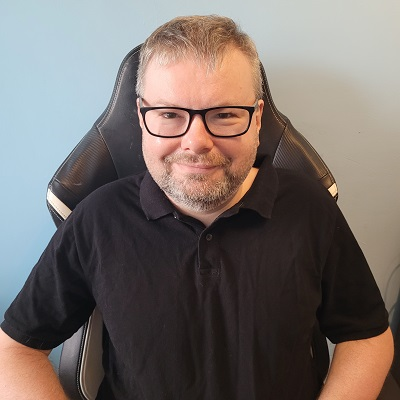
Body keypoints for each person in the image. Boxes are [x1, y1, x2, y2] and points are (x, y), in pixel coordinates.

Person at [0, 15, 394, 400]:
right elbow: (15, 351)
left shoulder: (310, 210)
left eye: (224, 115)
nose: (196, 142)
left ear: (257, 119)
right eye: (170, 114)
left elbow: (367, 337)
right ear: (141, 117)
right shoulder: (97, 219)